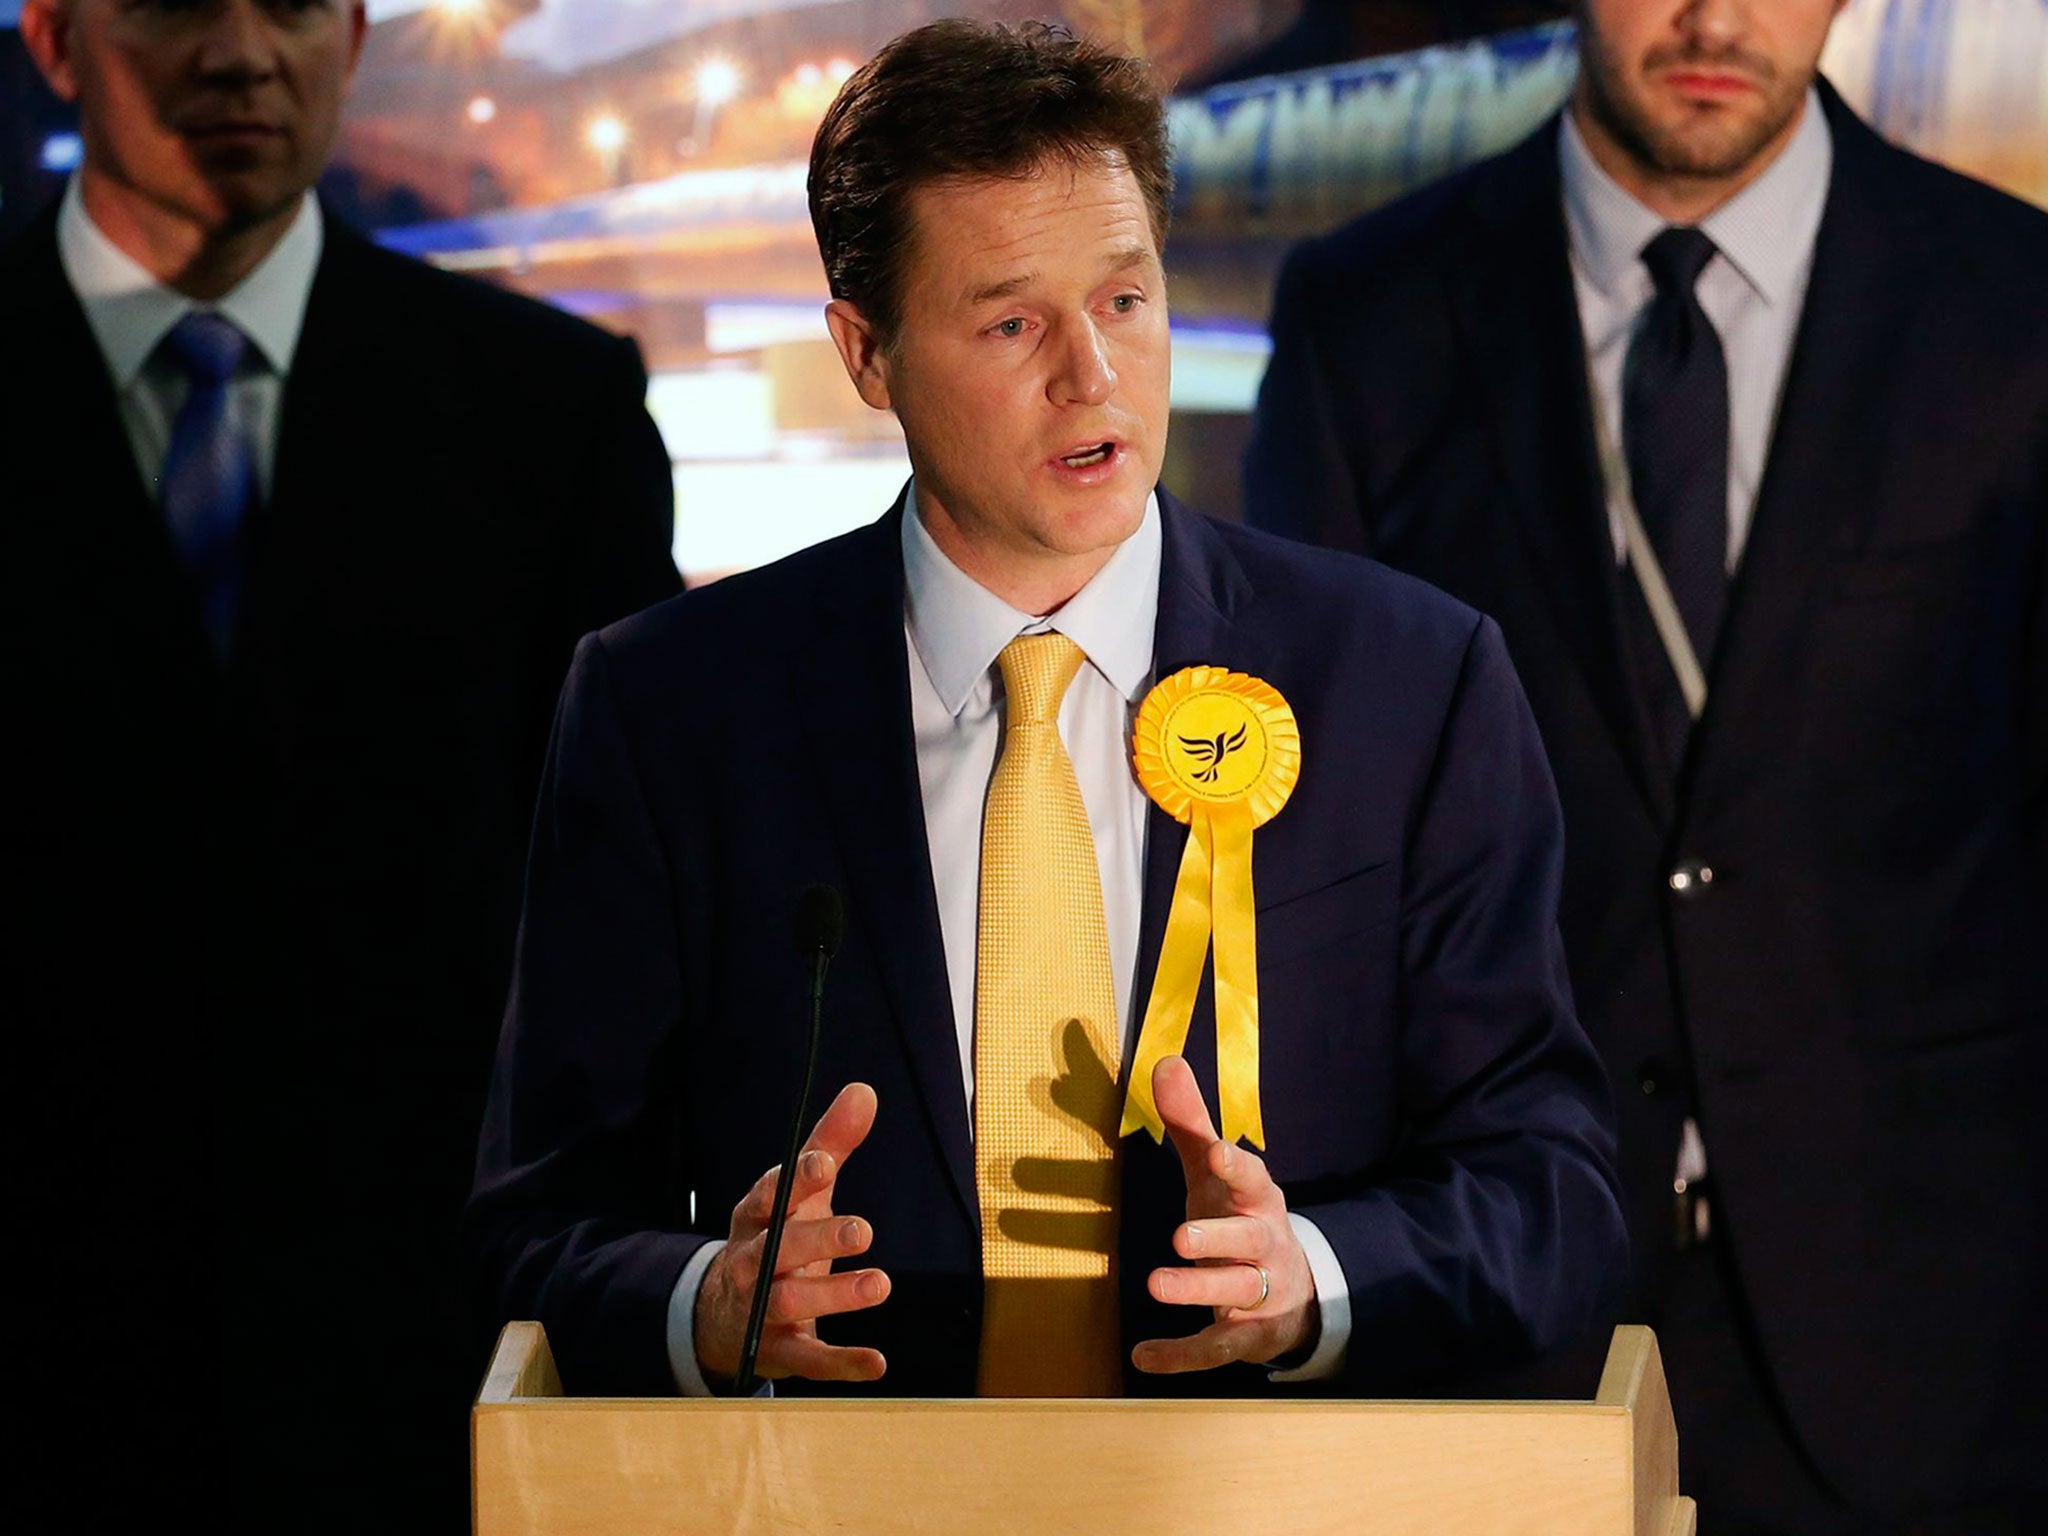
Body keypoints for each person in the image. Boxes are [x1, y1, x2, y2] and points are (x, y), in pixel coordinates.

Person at [468, 18, 1626, 1411]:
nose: (1093, 375)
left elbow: (1552, 1196)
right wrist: (702, 1304)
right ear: (867, 352)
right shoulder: (669, 712)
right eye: (1012, 320)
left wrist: (1312, 1275)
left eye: (1126, 301)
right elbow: (532, 1230)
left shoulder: (1412, 683)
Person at [1244, 0, 2047, 1529]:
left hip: (1938, 1323)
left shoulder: (2015, 305)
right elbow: (1304, 849)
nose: (1715, 18)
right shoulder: (1370, 311)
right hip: (1506, 1298)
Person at [1, 0, 677, 1527]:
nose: (243, 51)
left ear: (356, 32)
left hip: (418, 1368)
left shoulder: (546, 414)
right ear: (53, 40)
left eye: (296, 2)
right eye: (178, 2)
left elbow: (627, 912)